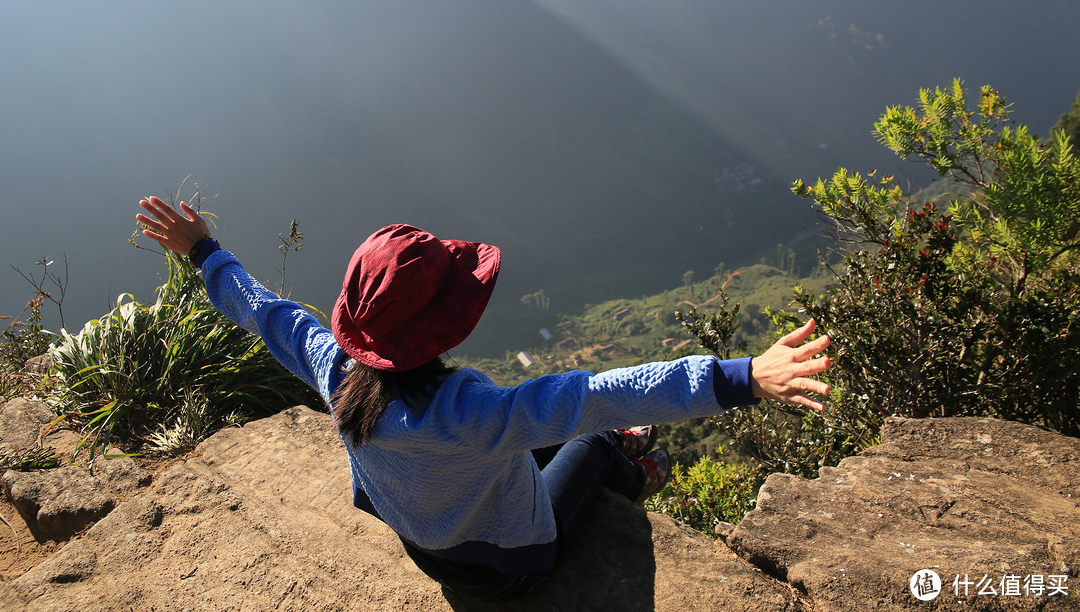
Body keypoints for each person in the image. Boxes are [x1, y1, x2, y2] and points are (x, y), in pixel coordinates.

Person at [135, 196, 831, 601]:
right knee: (591, 436)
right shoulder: (479, 412)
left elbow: (265, 312)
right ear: (443, 325)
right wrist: (744, 376)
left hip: (419, 543)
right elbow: (605, 394)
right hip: (510, 567)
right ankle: (629, 471)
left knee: (549, 435)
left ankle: (620, 460)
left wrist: (204, 253)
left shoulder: (334, 372)